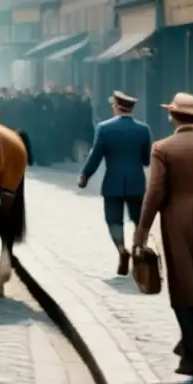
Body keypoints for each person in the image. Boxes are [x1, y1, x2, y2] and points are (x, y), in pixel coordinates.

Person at [134, 92, 193, 378]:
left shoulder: (163, 147)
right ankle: (187, 346)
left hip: (178, 219)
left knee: (182, 284)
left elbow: (155, 193)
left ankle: (192, 354)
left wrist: (142, 230)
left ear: (172, 115)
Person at [78, 90, 153, 275]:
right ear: (131, 109)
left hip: (112, 182)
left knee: (113, 220)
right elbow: (146, 160)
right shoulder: (144, 129)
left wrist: (85, 176)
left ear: (116, 107)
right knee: (138, 220)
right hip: (136, 182)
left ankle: (121, 250)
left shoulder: (104, 128)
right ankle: (138, 250)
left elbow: (95, 156)